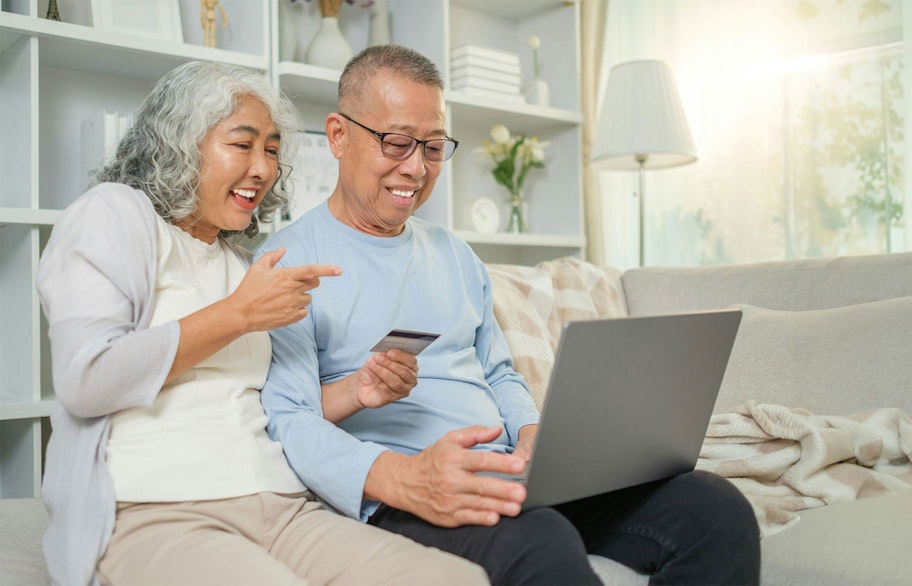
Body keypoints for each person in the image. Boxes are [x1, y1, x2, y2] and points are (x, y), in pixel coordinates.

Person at [259, 44, 761, 585]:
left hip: (508, 472)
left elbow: (497, 370)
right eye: (397, 143)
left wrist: (528, 430)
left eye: (432, 147)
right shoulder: (289, 265)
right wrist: (399, 473)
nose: (416, 168)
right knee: (541, 543)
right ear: (338, 135)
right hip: (411, 488)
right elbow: (287, 421)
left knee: (715, 509)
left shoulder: (455, 256)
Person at [36, 60, 488, 586]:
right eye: (242, 144)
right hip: (158, 508)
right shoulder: (113, 215)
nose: (262, 168)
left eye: (271, 150)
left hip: (282, 504)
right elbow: (84, 379)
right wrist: (237, 315)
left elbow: (276, 411)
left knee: (457, 580)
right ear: (180, 144)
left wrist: (357, 391)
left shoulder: (244, 262)